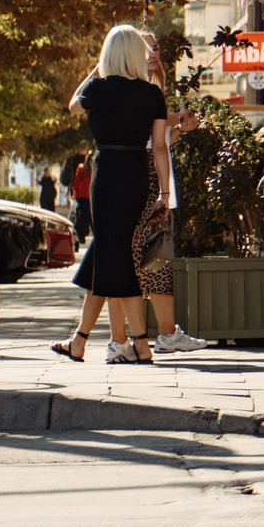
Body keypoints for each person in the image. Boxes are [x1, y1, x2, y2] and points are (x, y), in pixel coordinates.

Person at [52, 27, 172, 366]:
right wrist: (164, 191)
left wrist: (96, 69)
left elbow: (74, 106)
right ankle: (80, 340)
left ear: (108, 55)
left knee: (114, 257)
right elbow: (160, 147)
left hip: (105, 176)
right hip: (136, 176)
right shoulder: (152, 95)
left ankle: (141, 344)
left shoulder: (99, 88)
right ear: (136, 53)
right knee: (107, 255)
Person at [138, 48, 207, 357]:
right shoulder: (140, 92)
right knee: (153, 259)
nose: (152, 53)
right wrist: (164, 193)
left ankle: (156, 334)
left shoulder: (152, 90)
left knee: (155, 260)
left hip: (150, 180)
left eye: (155, 47)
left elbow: (161, 140)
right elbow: (155, 147)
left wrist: (179, 128)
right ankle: (141, 337)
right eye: (144, 47)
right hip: (147, 181)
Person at [65, 152, 92, 248]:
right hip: (89, 195)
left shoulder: (81, 168)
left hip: (81, 195)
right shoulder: (93, 169)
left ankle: (79, 233)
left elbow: (76, 182)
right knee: (87, 215)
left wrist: (74, 192)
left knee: (82, 215)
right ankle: (81, 233)